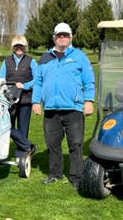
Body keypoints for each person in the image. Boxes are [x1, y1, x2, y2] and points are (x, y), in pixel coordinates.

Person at [32, 22, 95, 190]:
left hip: (73, 108)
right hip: (51, 109)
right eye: (59, 35)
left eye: (65, 35)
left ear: (70, 37)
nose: (62, 38)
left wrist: (88, 101)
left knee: (76, 144)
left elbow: (89, 81)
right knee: (52, 144)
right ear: (54, 37)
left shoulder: (79, 56)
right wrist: (36, 101)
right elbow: (38, 82)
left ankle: (76, 177)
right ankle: (55, 174)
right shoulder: (45, 58)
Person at [0, 35, 37, 156]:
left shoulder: (31, 61)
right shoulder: (6, 61)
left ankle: (21, 157)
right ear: (13, 47)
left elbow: (37, 79)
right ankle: (29, 146)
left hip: (25, 99)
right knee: (6, 125)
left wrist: (25, 85)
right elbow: (1, 78)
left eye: (21, 46)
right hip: (9, 99)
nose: (19, 48)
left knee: (23, 129)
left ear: (25, 47)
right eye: (16, 46)